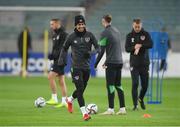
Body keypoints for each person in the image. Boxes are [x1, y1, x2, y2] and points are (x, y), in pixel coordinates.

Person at [58, 15, 99, 121]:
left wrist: (90, 53)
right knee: (80, 90)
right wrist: (62, 59)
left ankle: (70, 100)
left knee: (81, 89)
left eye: (82, 24)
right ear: (75, 25)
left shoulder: (89, 35)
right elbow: (64, 48)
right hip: (75, 67)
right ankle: (85, 113)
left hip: (86, 68)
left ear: (84, 24)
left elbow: (98, 48)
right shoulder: (71, 37)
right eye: (79, 24)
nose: (81, 26)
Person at [94, 14, 126, 115]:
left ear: (104, 21)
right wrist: (106, 61)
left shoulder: (104, 33)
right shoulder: (116, 31)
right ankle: (122, 109)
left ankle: (110, 109)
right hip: (119, 61)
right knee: (119, 85)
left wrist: (95, 63)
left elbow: (101, 50)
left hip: (111, 63)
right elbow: (114, 48)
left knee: (110, 86)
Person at [125, 19, 153, 110]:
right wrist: (134, 47)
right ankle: (135, 105)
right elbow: (127, 49)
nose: (137, 28)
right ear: (133, 25)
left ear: (141, 25)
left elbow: (150, 44)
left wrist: (140, 45)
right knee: (135, 84)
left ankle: (140, 98)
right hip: (134, 64)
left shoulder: (146, 34)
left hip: (144, 64)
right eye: (135, 26)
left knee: (145, 86)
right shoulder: (129, 36)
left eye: (138, 26)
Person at [46, 19, 68, 108]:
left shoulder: (64, 34)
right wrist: (52, 55)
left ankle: (54, 98)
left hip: (60, 60)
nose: (51, 26)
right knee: (61, 81)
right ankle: (64, 101)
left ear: (57, 24)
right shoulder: (55, 35)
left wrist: (53, 55)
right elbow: (55, 48)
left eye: (52, 24)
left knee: (50, 76)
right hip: (56, 59)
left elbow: (62, 49)